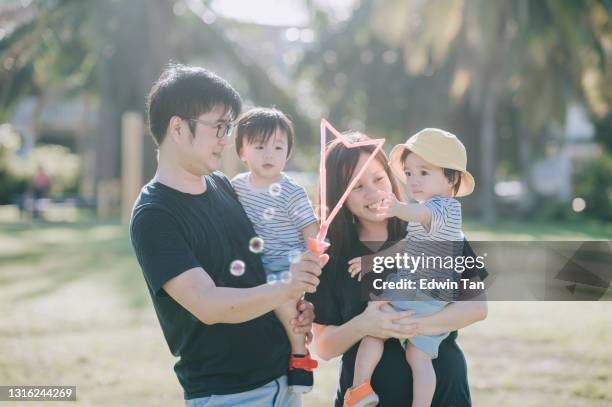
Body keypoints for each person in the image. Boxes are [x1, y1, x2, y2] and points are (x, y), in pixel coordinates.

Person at [129, 64, 328, 406]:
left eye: (228, 127)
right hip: (229, 395)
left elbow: (258, 269)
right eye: (219, 127)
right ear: (178, 128)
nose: (226, 138)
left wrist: (295, 305)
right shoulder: (154, 215)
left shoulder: (224, 185)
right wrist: (286, 287)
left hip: (283, 381)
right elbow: (208, 304)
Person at [305, 132, 487, 407]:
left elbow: (477, 308)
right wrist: (365, 324)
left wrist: (406, 327)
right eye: (357, 186)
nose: (373, 192)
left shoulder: (434, 230)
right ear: (340, 195)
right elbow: (325, 347)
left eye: (379, 179)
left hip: (443, 395)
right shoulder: (333, 254)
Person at [231, 107, 320, 393]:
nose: (269, 154)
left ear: (287, 153)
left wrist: (312, 257)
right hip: (254, 263)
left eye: (278, 147)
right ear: (242, 151)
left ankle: (299, 355)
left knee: (283, 301)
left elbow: (309, 228)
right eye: (259, 146)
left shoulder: (291, 190)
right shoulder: (235, 187)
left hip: (287, 266)